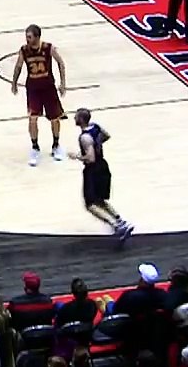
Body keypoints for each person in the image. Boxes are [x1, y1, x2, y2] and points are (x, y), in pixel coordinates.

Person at [66, 107, 131, 240]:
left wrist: (77, 156)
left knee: (90, 204)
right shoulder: (95, 127)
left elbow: (90, 158)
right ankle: (120, 221)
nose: (74, 119)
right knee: (100, 200)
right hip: (103, 166)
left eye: (76, 117)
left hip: (93, 170)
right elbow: (106, 136)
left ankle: (116, 226)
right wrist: (98, 145)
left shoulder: (85, 137)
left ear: (81, 120)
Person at [11, 24, 68, 166]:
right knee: (32, 118)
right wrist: (14, 83)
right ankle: (35, 147)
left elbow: (61, 63)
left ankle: (56, 145)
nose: (27, 39)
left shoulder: (48, 48)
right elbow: (18, 66)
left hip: (48, 87)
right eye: (26, 36)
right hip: (33, 89)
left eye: (29, 37)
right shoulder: (24, 50)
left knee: (55, 118)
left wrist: (62, 83)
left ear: (37, 37)